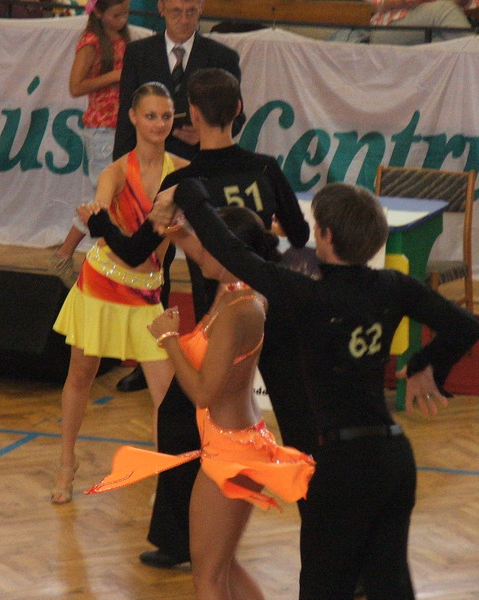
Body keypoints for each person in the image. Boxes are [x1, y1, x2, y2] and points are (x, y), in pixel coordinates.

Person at [153, 179, 479, 599]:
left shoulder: (309, 296)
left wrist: (189, 191)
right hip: (393, 458)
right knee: (390, 587)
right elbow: (466, 326)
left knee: (324, 588)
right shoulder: (394, 286)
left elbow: (232, 252)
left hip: (341, 465)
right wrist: (427, 365)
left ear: (325, 236)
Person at [90, 67, 314, 568]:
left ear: (190, 114)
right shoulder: (265, 169)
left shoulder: (183, 182)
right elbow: (299, 238)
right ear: (239, 111)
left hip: (222, 317)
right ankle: (338, 553)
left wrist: (99, 222)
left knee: (178, 419)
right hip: (274, 310)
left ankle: (176, 541)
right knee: (301, 426)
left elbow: (134, 252)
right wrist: (263, 229)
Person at [88, 206, 316, 600]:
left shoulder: (239, 310)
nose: (198, 255)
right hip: (228, 443)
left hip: (232, 452)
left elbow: (202, 393)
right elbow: (201, 248)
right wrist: (177, 232)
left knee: (207, 578)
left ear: (229, 251)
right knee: (222, 567)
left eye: (207, 246)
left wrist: (169, 340)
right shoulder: (233, 287)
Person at [49, 82, 188, 504]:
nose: (159, 124)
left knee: (166, 395)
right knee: (81, 376)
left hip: (147, 296)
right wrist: (94, 215)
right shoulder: (115, 172)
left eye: (166, 116)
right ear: (132, 117)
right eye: (150, 116)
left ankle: (168, 484)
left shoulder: (182, 171)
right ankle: (66, 463)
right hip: (102, 286)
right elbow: (101, 208)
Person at [111, 0, 246, 392]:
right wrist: (124, 177)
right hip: (151, 174)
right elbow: (125, 117)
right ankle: (150, 358)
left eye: (191, 11)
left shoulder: (222, 56)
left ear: (201, 8)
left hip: (202, 174)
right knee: (153, 270)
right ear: (161, 9)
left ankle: (209, 355)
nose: (184, 19)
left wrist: (204, 132)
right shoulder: (139, 53)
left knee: (208, 268)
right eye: (176, 11)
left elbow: (237, 115)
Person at [49, 0, 132, 288]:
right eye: (116, 14)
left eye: (126, 13)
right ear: (97, 12)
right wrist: (113, 77)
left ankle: (75, 255)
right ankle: (68, 255)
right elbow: (75, 87)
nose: (123, 19)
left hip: (123, 128)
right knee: (101, 199)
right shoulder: (91, 42)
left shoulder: (122, 38)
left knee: (108, 197)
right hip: (103, 129)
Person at [367, 0, 477, 45]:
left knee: (442, 43)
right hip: (388, 28)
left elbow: (464, 2)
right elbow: (398, 2)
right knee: (444, 8)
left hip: (437, 24)